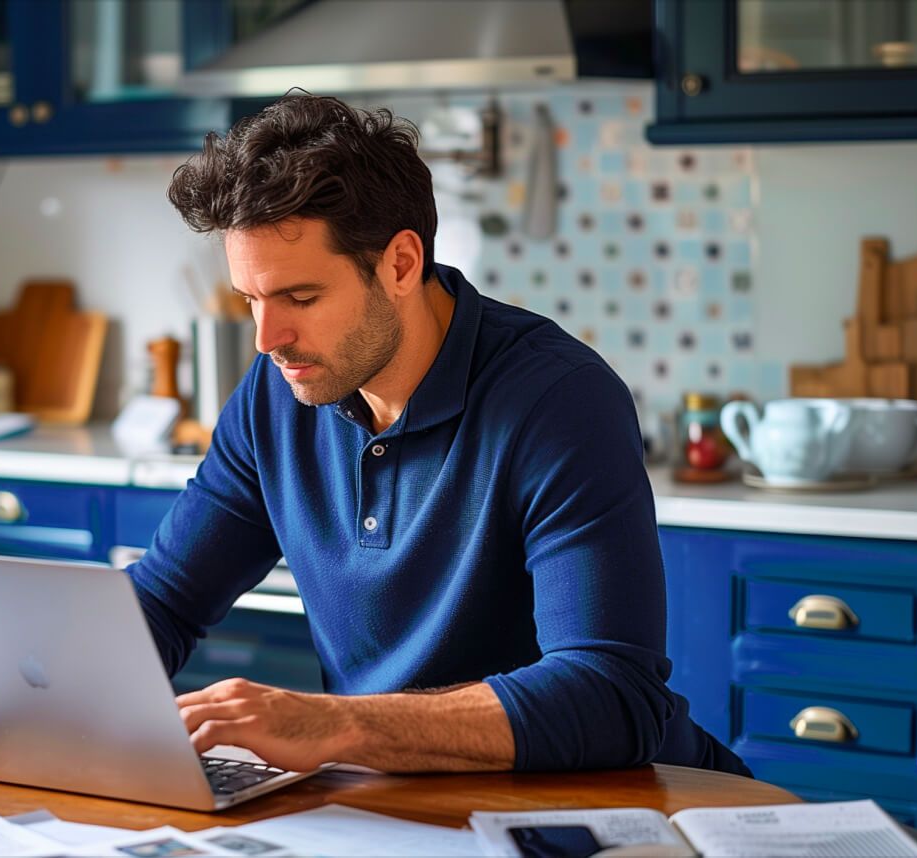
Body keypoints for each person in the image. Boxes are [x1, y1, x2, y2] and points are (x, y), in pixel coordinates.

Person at [128, 94, 749, 777]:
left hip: (609, 803)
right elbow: (163, 601)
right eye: (250, 300)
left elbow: (612, 694)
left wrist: (332, 724)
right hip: (394, 801)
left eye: (300, 298)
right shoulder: (277, 392)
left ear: (400, 264)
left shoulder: (559, 400)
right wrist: (55, 699)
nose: (267, 338)